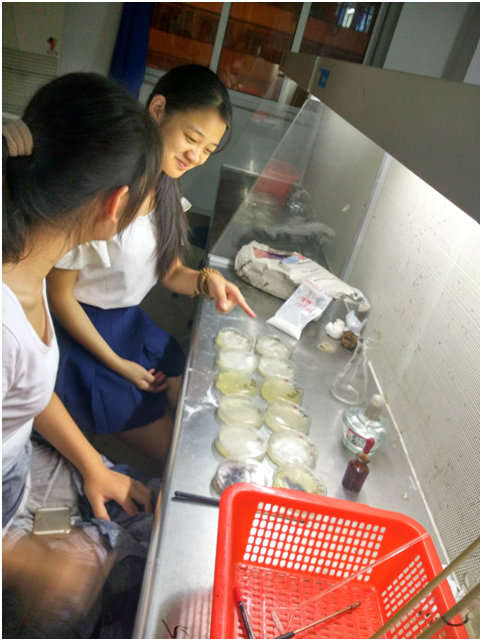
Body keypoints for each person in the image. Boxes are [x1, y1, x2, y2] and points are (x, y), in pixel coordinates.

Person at [2, 72, 163, 638]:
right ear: (115, 203)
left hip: (19, 471)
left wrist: (93, 465)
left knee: (146, 510)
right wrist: (31, 564)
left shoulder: (28, 266)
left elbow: (23, 396)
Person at [47, 65, 256, 464]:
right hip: (82, 333)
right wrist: (118, 364)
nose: (196, 156)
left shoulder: (164, 185)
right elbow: (58, 298)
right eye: (191, 139)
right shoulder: (105, 186)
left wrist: (207, 281)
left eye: (208, 150)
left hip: (127, 322)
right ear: (158, 110)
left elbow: (171, 272)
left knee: (195, 410)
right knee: (176, 454)